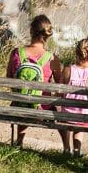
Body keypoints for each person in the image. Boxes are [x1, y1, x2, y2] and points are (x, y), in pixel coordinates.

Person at [6, 14, 56, 146]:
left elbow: (9, 78)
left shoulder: (16, 53)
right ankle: (68, 148)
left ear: (31, 31)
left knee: (23, 97)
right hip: (42, 109)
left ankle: (19, 141)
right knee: (57, 109)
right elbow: (60, 84)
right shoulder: (52, 58)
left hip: (19, 106)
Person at [57, 37, 88, 156]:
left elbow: (59, 93)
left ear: (76, 52)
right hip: (86, 118)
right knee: (84, 115)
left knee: (68, 115)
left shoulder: (67, 70)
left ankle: (66, 148)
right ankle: (77, 150)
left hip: (67, 115)